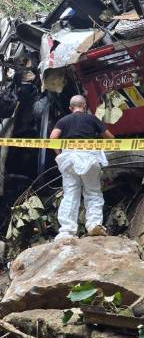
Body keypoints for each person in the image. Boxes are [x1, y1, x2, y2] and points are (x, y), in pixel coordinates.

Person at [49, 94, 115, 238]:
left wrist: (59, 154)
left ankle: (67, 231)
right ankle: (93, 225)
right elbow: (110, 138)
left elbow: (53, 138)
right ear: (84, 106)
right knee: (92, 192)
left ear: (70, 108)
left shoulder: (63, 120)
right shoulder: (92, 119)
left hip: (69, 160)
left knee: (70, 194)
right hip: (89, 158)